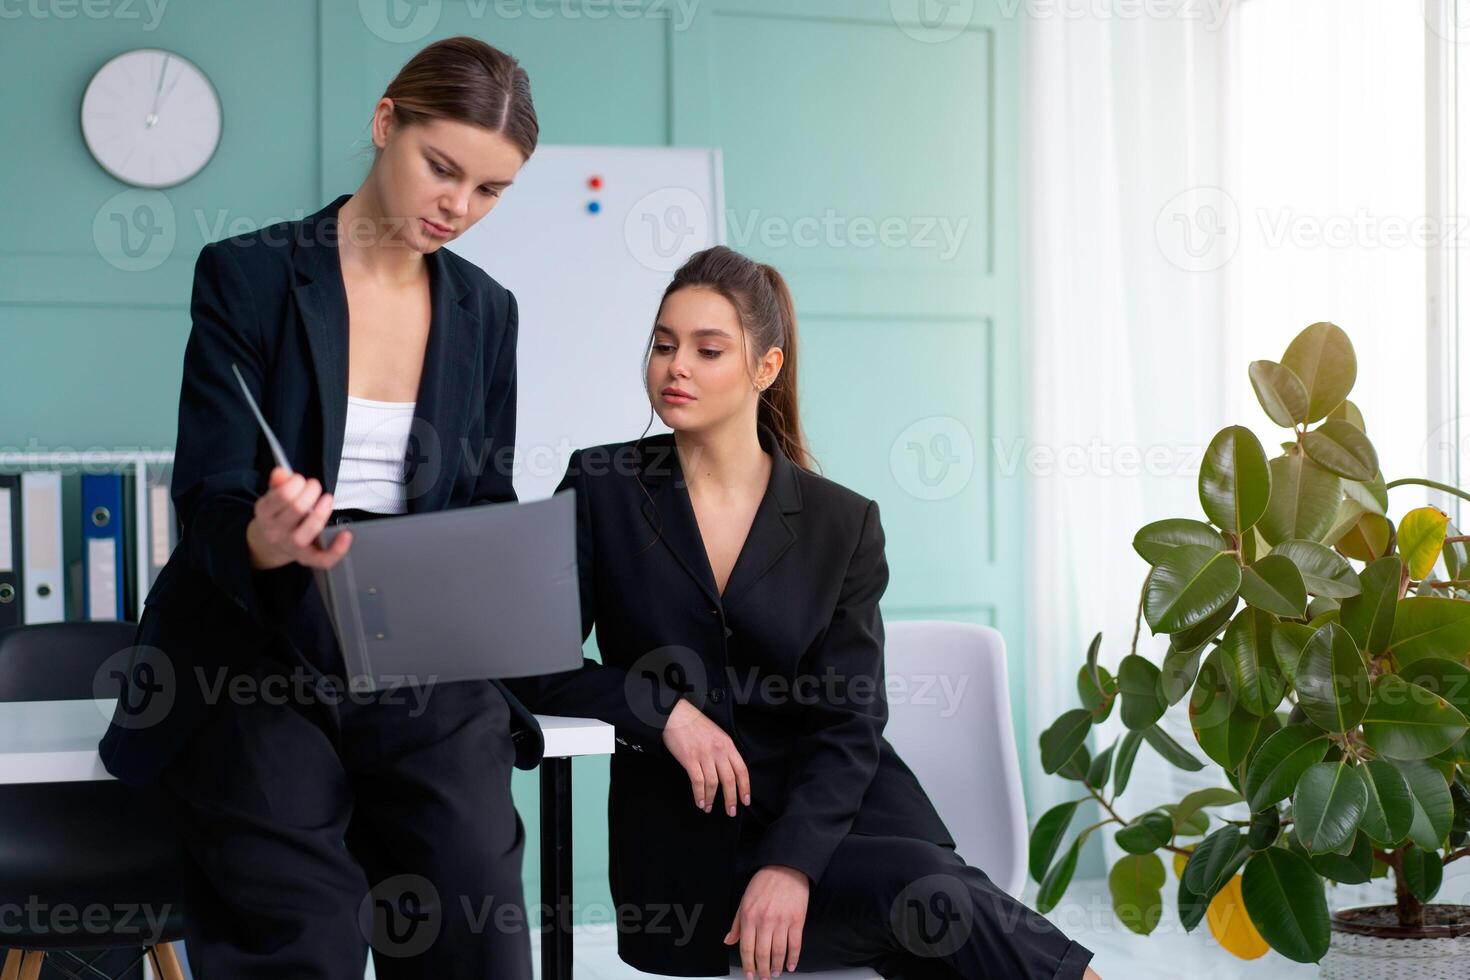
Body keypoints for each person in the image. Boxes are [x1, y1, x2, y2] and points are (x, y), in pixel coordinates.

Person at [505, 246, 1102, 979]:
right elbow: (533, 660)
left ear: (766, 368)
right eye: (663, 344)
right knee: (936, 910)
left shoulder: (840, 522)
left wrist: (791, 865)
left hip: (837, 828)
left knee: (935, 902)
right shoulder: (603, 486)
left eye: (707, 348)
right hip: (689, 860)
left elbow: (849, 721)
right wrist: (663, 710)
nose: (675, 366)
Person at [98, 36, 543, 979]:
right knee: (300, 929)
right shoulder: (249, 275)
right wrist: (265, 537)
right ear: (387, 124)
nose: (459, 207)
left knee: (476, 915)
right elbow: (211, 495)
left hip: (417, 646)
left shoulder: (488, 313)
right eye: (442, 168)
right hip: (262, 640)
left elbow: (484, 497)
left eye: (491, 190)